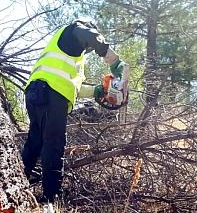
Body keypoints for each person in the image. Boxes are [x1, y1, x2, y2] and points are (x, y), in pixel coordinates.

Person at [22, 19, 130, 203]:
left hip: (35, 92)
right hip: (51, 93)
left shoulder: (66, 53)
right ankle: (51, 197)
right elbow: (90, 36)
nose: (87, 49)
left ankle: (15, 185)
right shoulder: (73, 31)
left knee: (36, 141)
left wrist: (98, 91)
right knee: (53, 142)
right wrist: (115, 62)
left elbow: (72, 89)